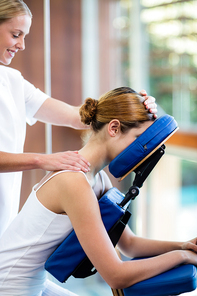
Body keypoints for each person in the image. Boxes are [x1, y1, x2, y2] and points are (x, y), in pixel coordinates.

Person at [0, 87, 196, 296]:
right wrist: (182, 257)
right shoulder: (74, 182)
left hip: (32, 281)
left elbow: (130, 244)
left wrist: (183, 246)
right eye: (139, 138)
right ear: (113, 128)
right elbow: (115, 275)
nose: (142, 151)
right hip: (9, 285)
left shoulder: (98, 179)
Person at [0, 0, 157, 238]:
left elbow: (78, 117)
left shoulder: (13, 82)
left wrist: (134, 107)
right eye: (16, 34)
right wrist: (43, 161)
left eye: (25, 36)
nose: (22, 45)